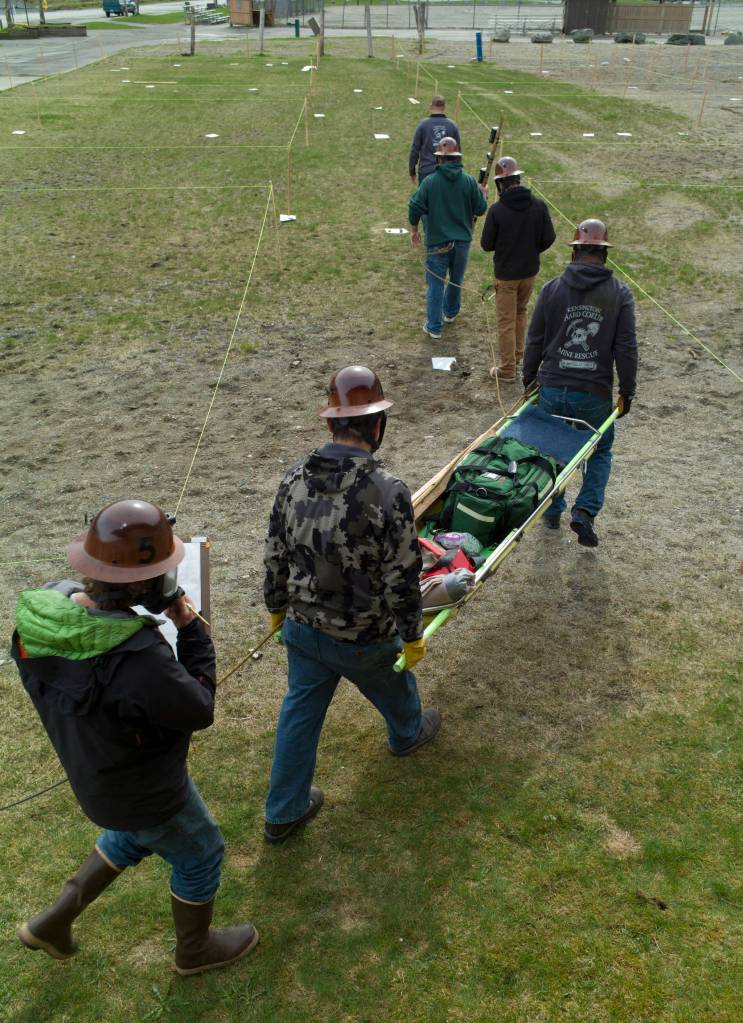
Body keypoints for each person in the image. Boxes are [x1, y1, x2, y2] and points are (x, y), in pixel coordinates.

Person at [11, 500, 258, 975]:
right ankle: (194, 951)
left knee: (133, 834)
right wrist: (190, 629)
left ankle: (53, 921)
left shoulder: (40, 617)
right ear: (150, 585)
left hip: (99, 778)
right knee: (201, 852)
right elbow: (198, 708)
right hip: (147, 789)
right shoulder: (138, 656)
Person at [263, 365, 441, 844]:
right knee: (398, 689)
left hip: (302, 631)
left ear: (330, 424)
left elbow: (275, 553)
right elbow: (402, 574)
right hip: (364, 638)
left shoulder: (291, 480)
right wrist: (412, 636)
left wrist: (277, 607)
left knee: (299, 714)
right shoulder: (388, 490)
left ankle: (283, 812)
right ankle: (407, 734)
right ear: (378, 425)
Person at [522, 219, 638, 547]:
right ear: (603, 254)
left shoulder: (552, 289)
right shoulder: (619, 293)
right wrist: (627, 390)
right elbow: (626, 348)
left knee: (550, 450)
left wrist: (529, 379)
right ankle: (584, 511)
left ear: (575, 251)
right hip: (594, 394)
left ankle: (552, 509)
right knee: (599, 452)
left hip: (553, 388)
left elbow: (534, 340)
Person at [480, 156, 556, 384]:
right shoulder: (538, 205)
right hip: (529, 273)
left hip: (506, 276)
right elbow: (549, 238)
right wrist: (532, 251)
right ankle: (517, 357)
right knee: (520, 314)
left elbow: (486, 244)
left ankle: (507, 369)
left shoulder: (497, 210)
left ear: (501, 184)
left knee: (506, 321)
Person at [408, 137, 487, 340]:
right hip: (461, 244)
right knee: (456, 280)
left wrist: (414, 229)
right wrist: (483, 195)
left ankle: (434, 326)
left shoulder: (430, 182)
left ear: (439, 160)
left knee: (435, 285)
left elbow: (414, 205)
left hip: (436, 243)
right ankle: (450, 313)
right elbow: (481, 208)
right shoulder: (469, 181)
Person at [408, 95, 461, 185]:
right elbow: (458, 151)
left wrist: (412, 171)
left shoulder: (423, 125)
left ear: (431, 106)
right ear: (444, 107)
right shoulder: (452, 126)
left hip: (426, 171)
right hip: (447, 172)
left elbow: (415, 150)